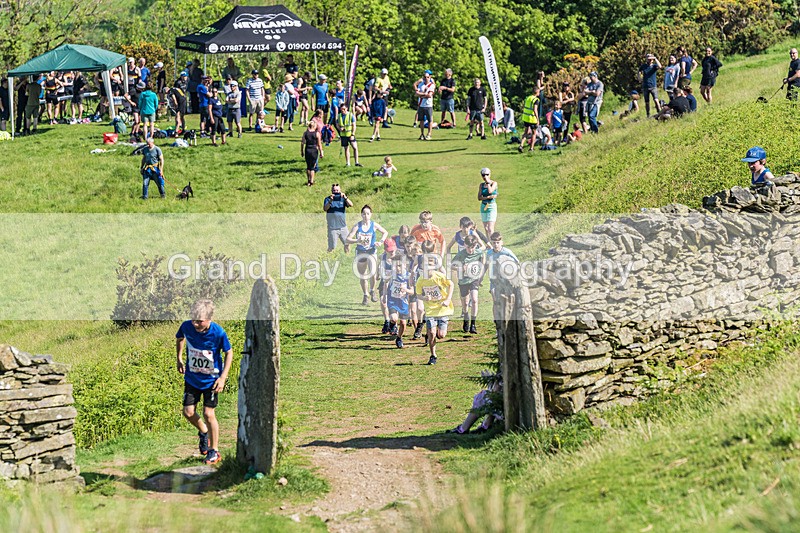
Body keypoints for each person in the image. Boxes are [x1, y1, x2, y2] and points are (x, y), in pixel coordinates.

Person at [175, 299, 233, 466]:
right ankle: (204, 431)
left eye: (199, 321)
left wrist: (223, 378)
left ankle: (214, 451)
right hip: (192, 378)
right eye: (193, 319)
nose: (195, 324)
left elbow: (229, 352)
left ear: (209, 319)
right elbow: (179, 338)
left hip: (211, 381)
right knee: (188, 412)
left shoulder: (218, 333)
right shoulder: (186, 326)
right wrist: (179, 358)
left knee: (208, 414)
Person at [416, 250, 455, 365]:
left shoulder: (440, 276)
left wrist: (448, 299)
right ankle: (433, 355)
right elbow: (418, 294)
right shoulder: (421, 280)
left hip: (442, 309)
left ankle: (434, 334)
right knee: (432, 333)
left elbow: (451, 284)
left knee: (441, 335)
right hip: (430, 310)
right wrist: (424, 297)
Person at [346, 205, 389, 305]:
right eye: (364, 214)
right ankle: (365, 295)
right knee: (363, 275)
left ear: (371, 214)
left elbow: (385, 232)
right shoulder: (357, 226)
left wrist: (381, 242)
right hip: (361, 252)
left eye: (368, 214)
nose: (366, 216)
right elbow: (347, 239)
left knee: (373, 273)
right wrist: (357, 240)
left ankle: (372, 291)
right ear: (361, 215)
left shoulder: (374, 225)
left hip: (371, 251)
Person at [386, 247, 413, 348]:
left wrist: (406, 290)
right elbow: (385, 283)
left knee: (403, 323)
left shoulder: (408, 276)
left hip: (403, 302)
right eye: (396, 266)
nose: (398, 268)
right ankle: (392, 323)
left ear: (405, 265)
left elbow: (412, 291)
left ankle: (399, 338)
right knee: (394, 318)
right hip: (393, 300)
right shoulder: (392, 274)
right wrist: (384, 295)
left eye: (400, 266)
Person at [485, 231, 519, 301]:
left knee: (507, 299)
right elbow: (486, 264)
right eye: (494, 243)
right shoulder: (489, 253)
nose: (496, 245)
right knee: (495, 299)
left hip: (506, 279)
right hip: (494, 279)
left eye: (498, 242)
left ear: (502, 243)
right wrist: (480, 278)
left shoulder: (507, 252)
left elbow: (517, 262)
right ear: (491, 243)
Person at [324, 182, 353, 252]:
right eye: (334, 190)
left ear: (340, 190)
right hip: (333, 228)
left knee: (347, 244)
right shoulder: (327, 199)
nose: (336, 192)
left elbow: (351, 205)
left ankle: (347, 256)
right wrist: (331, 200)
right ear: (331, 191)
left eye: (337, 190)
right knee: (332, 246)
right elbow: (325, 209)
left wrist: (345, 198)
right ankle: (327, 256)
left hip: (343, 227)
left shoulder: (343, 199)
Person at [336, 102, 362, 167]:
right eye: (342, 109)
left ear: (347, 108)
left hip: (350, 134)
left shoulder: (350, 115)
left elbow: (354, 125)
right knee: (346, 148)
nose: (343, 111)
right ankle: (348, 163)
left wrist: (353, 134)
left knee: (355, 147)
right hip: (343, 135)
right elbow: (337, 124)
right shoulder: (339, 116)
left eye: (344, 109)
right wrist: (340, 129)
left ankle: (356, 162)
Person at [638, 53, 662, 118]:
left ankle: (659, 112)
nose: (649, 59)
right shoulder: (644, 66)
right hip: (645, 86)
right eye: (648, 58)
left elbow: (660, 66)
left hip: (653, 86)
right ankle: (648, 115)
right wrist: (639, 77)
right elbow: (639, 71)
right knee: (647, 102)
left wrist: (655, 58)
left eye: (650, 58)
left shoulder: (654, 66)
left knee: (656, 100)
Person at [301, 121, 323, 186]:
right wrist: (321, 152)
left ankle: (308, 180)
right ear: (314, 126)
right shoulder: (317, 134)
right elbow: (319, 144)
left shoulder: (305, 133)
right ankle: (311, 181)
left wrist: (302, 151)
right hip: (314, 150)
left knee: (308, 166)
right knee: (312, 167)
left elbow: (302, 143)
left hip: (307, 149)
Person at [517, 87, 539, 152]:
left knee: (525, 132)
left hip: (526, 117)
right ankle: (531, 148)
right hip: (532, 118)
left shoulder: (528, 98)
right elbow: (535, 110)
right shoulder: (536, 100)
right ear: (537, 92)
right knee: (534, 133)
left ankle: (521, 145)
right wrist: (537, 119)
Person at [415, 70, 435, 140]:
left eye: (427, 77)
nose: (426, 78)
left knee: (430, 120)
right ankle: (422, 134)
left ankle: (429, 134)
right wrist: (424, 94)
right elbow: (416, 93)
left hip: (428, 105)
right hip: (421, 105)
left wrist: (421, 95)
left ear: (430, 77)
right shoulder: (421, 84)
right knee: (421, 120)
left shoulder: (431, 85)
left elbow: (429, 95)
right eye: (425, 77)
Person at [477, 167, 498, 237]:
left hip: (491, 206)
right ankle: (488, 242)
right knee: (486, 228)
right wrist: (488, 197)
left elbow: (490, 191)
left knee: (490, 228)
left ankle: (493, 242)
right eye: (483, 175)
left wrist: (488, 183)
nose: (485, 176)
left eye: (487, 174)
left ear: (490, 174)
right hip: (484, 206)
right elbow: (479, 197)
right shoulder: (481, 185)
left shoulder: (494, 183)